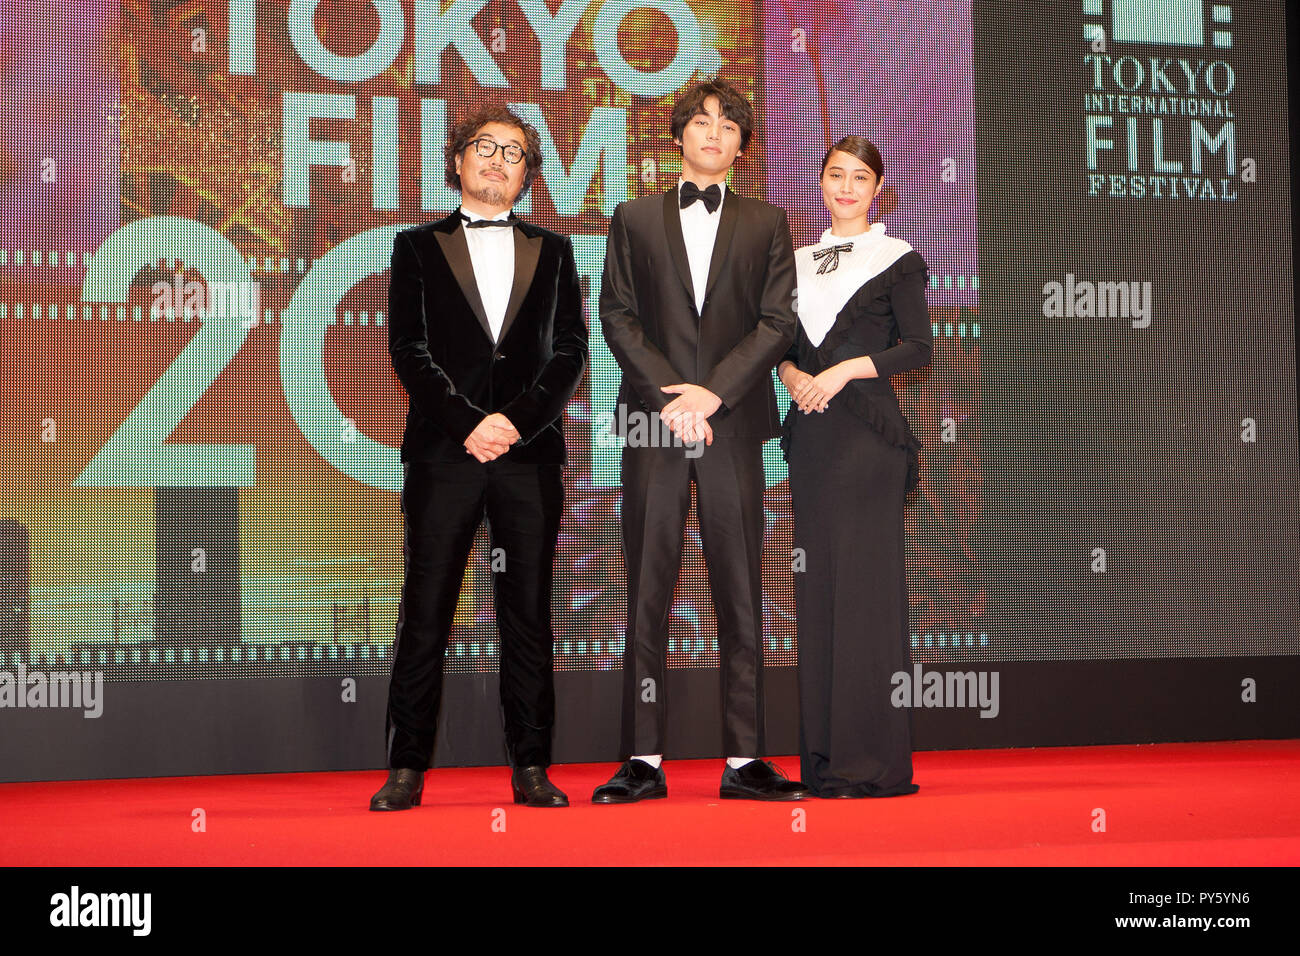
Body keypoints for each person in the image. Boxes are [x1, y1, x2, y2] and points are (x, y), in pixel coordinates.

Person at [370, 105, 588, 810]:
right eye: (485, 147)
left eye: (515, 152)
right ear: (458, 159)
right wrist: (469, 424)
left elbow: (570, 352)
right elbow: (410, 350)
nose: (498, 160)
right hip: (444, 455)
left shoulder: (554, 251)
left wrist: (513, 424)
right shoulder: (414, 246)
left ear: (528, 174)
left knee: (527, 612)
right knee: (426, 607)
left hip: (529, 460)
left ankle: (531, 766)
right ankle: (406, 767)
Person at [594, 78, 806, 803]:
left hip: (734, 422)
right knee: (646, 592)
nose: (714, 133)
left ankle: (746, 760)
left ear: (743, 144)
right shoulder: (632, 217)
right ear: (678, 134)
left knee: (740, 593)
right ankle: (642, 761)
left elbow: (778, 322)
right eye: (702, 122)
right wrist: (671, 399)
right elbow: (618, 318)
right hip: (654, 426)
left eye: (729, 125)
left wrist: (714, 393)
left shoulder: (768, 222)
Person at [777, 135, 931, 798]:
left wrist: (839, 371)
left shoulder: (896, 258)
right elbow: (774, 345)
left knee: (863, 596)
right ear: (821, 182)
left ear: (877, 188)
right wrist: (789, 374)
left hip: (868, 443)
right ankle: (823, 761)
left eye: (860, 177)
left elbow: (918, 347)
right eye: (836, 174)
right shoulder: (794, 262)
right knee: (818, 595)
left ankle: (871, 764)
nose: (846, 186)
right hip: (809, 441)